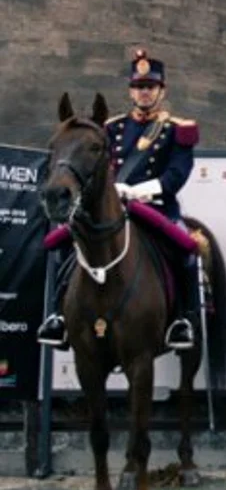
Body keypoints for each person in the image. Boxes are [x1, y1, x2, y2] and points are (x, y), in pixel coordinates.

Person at [38, 49, 200, 351]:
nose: (144, 93)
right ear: (130, 91)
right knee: (62, 247)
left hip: (156, 208)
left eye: (150, 87)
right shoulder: (111, 128)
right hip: (114, 207)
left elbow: (176, 175)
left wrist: (137, 191)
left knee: (188, 252)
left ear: (161, 90)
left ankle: (183, 319)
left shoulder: (177, 129)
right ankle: (57, 316)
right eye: (139, 87)